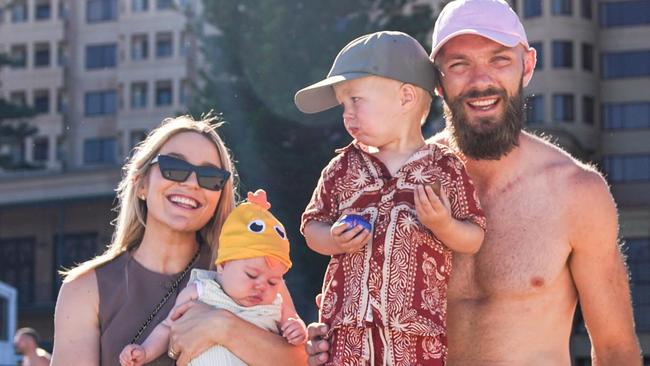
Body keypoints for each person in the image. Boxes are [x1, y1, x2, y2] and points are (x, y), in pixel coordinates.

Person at [305, 1, 642, 365]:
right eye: (459, 65)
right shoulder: (388, 183)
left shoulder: (577, 193)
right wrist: (329, 339)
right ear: (436, 82)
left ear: (526, 65)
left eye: (499, 60)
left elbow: (616, 350)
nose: (481, 81)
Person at [294, 31, 486, 365]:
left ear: (406, 97)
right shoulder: (343, 168)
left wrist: (443, 224)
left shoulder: (443, 167)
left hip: (416, 338)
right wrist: (334, 241)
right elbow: (312, 227)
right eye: (343, 105)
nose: (347, 114)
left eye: (356, 100)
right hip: (347, 335)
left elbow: (474, 237)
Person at [51, 115, 307, 366]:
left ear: (220, 196)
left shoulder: (253, 269)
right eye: (174, 168)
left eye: (209, 176)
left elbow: (299, 362)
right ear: (141, 184)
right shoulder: (84, 289)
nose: (192, 183)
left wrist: (222, 325)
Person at [119, 189, 307, 366]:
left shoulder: (275, 302)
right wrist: (144, 351)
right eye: (251, 275)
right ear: (222, 265)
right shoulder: (201, 290)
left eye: (273, 281)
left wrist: (297, 330)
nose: (262, 286)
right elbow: (168, 327)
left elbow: (295, 331)